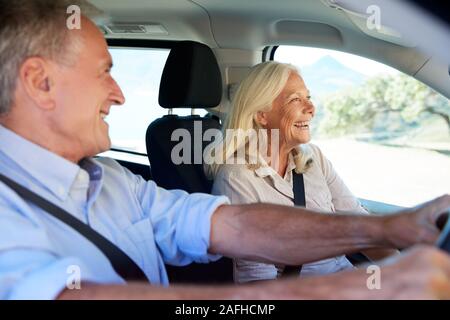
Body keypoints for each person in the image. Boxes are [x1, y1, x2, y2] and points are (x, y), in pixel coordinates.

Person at [0, 0, 449, 300]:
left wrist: (394, 228)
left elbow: (227, 223)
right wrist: (363, 289)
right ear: (41, 83)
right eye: (104, 72)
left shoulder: (111, 179)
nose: (119, 94)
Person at [206, 62, 398, 283]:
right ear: (262, 115)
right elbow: (259, 283)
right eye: (296, 99)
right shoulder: (237, 178)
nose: (311, 108)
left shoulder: (313, 157)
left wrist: (402, 275)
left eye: (309, 97)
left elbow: (363, 229)